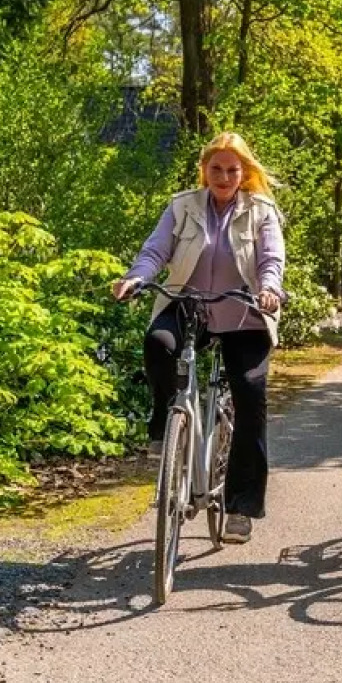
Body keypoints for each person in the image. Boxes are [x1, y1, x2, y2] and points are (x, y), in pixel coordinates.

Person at [113, 132, 284, 544]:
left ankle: (241, 507)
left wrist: (269, 289)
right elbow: (156, 251)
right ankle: (164, 423)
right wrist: (137, 278)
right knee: (159, 343)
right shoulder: (182, 206)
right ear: (204, 170)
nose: (223, 177)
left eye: (232, 170)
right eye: (216, 169)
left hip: (243, 311)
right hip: (188, 305)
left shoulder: (261, 211)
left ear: (244, 173)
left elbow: (270, 259)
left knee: (250, 395)